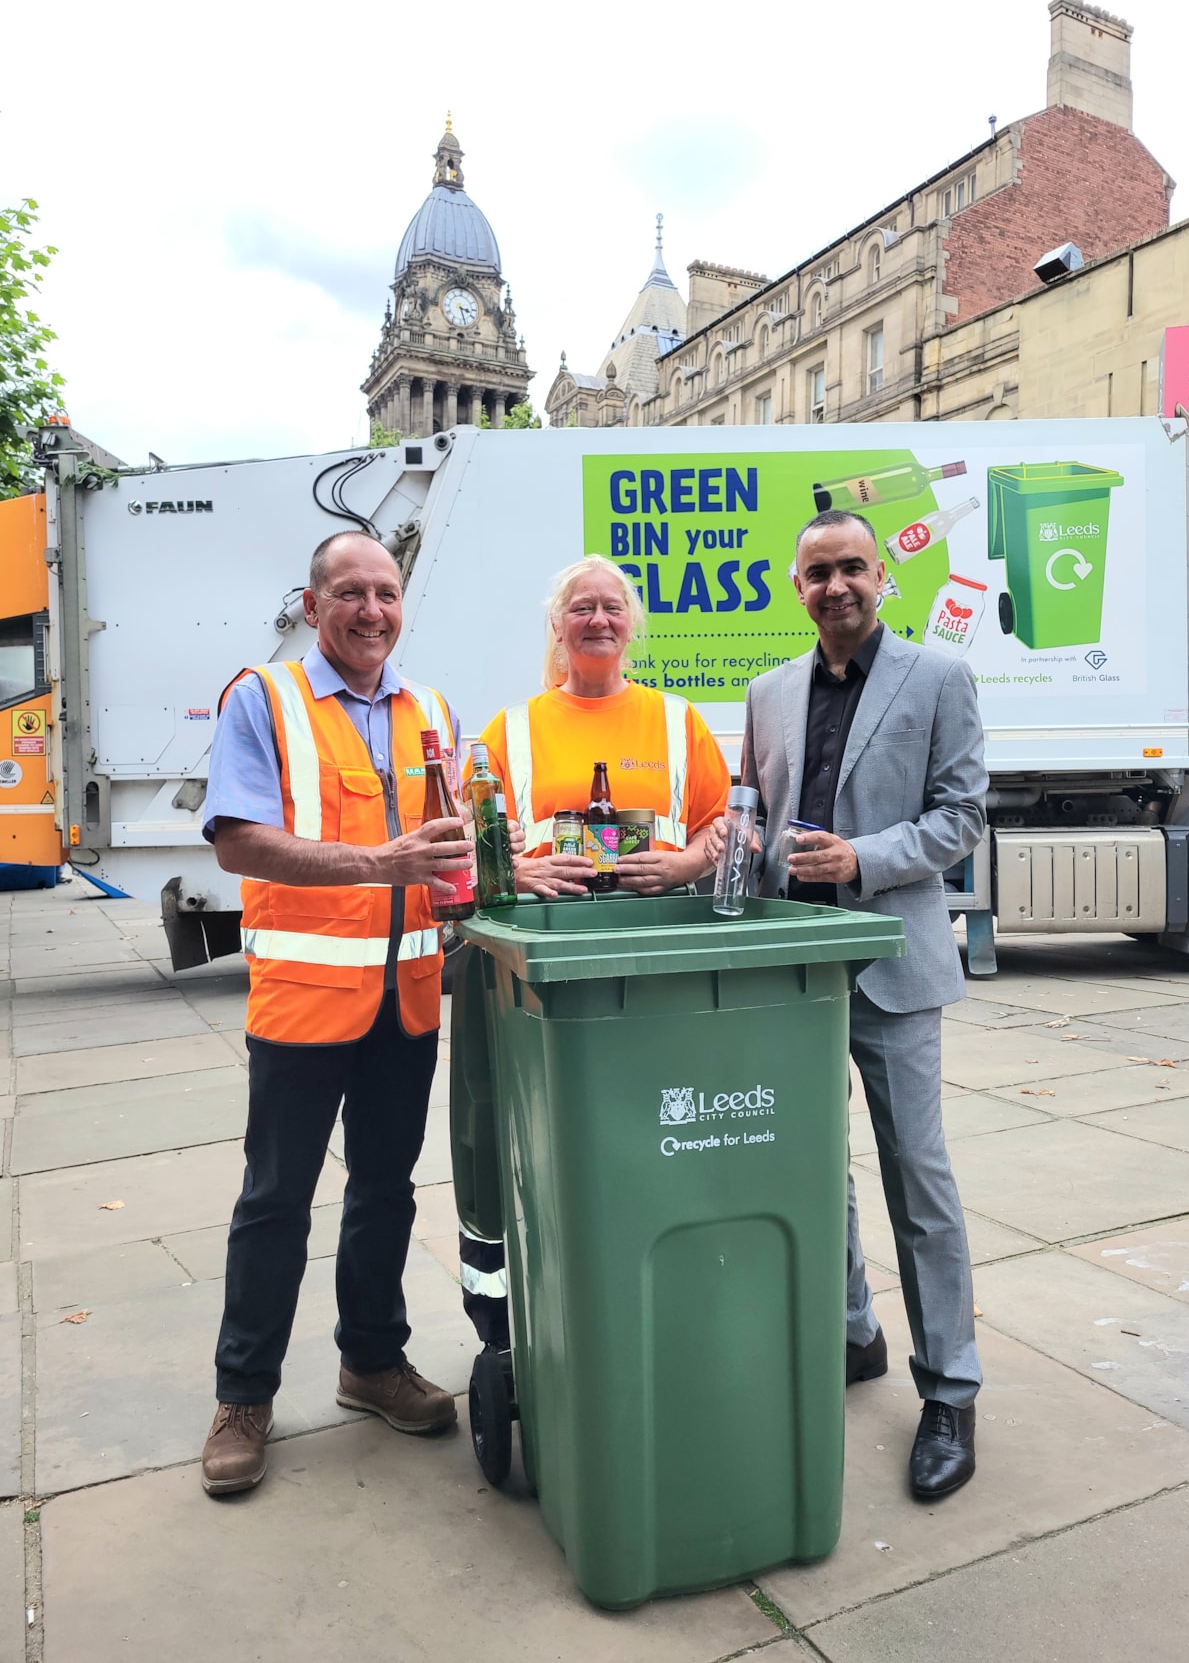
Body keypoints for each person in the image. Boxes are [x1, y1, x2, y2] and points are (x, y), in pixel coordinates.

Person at [198, 530, 469, 1496]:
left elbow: (450, 844)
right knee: (274, 1203)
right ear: (312, 607)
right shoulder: (262, 699)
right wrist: (378, 863)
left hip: (407, 1003)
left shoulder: (429, 708)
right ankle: (243, 1399)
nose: (371, 610)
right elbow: (238, 843)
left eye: (386, 592)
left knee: (386, 1192)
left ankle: (372, 1362)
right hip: (305, 1004)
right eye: (348, 592)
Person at [741, 509, 986, 1500]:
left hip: (889, 962)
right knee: (808, 1168)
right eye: (816, 572)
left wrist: (862, 859)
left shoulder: (937, 678)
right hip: (792, 971)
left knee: (913, 1178)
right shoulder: (765, 691)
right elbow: (750, 814)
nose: (834, 584)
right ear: (793, 586)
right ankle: (852, 1332)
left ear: (879, 576)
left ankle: (951, 1388)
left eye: (851, 567)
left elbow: (960, 815)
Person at [457, 555, 731, 1348]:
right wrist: (521, 865)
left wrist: (683, 863)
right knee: (543, 1141)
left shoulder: (679, 722)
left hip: (663, 965)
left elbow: (725, 825)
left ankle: (671, 1281)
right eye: (582, 608)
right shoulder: (511, 730)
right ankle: (515, 1324)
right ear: (558, 624)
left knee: (662, 1128)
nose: (598, 620)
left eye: (612, 607)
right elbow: (481, 844)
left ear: (631, 623)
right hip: (547, 969)